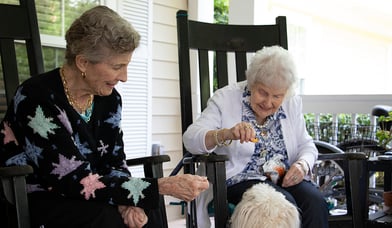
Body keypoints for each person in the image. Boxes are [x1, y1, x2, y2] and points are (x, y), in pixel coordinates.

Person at [0, 5, 208, 228]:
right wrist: (159, 186)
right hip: (35, 196)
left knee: (147, 208)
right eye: (117, 66)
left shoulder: (109, 99)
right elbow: (70, 180)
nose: (125, 77)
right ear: (83, 62)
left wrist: (128, 201)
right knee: (108, 218)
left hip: (90, 193)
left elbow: (114, 161)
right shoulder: (36, 98)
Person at [183, 45, 329, 228]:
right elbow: (190, 139)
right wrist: (226, 134)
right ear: (251, 82)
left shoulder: (292, 102)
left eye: (277, 96)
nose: (268, 102)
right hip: (239, 178)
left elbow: (307, 145)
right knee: (283, 206)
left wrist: (302, 164)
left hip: (282, 175)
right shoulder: (225, 98)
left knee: (315, 203)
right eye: (263, 92)